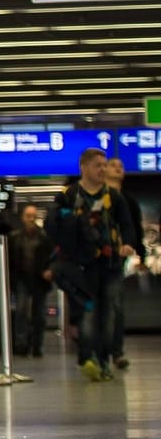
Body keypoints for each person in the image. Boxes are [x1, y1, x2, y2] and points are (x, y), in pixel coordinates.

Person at [50, 147, 137, 382]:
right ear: (84, 168)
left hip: (110, 264)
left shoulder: (114, 197)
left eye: (104, 164)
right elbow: (54, 226)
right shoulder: (68, 195)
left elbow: (127, 225)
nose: (102, 169)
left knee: (108, 313)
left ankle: (104, 358)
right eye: (97, 165)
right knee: (88, 312)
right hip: (81, 265)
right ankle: (89, 357)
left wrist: (128, 244)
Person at [102, 158, 143, 370]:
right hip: (94, 258)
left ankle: (116, 352)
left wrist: (138, 253)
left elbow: (135, 228)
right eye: (113, 165)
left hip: (116, 259)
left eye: (121, 166)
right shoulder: (95, 197)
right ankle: (94, 351)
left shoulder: (128, 201)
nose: (118, 168)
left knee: (115, 304)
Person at [9, 205, 54, 358]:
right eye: (28, 215)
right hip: (22, 277)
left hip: (39, 279)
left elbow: (51, 257)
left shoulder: (45, 238)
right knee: (21, 310)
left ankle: (37, 344)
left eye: (33, 216)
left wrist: (49, 271)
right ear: (23, 217)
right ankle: (21, 343)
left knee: (39, 314)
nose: (31, 219)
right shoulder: (15, 238)